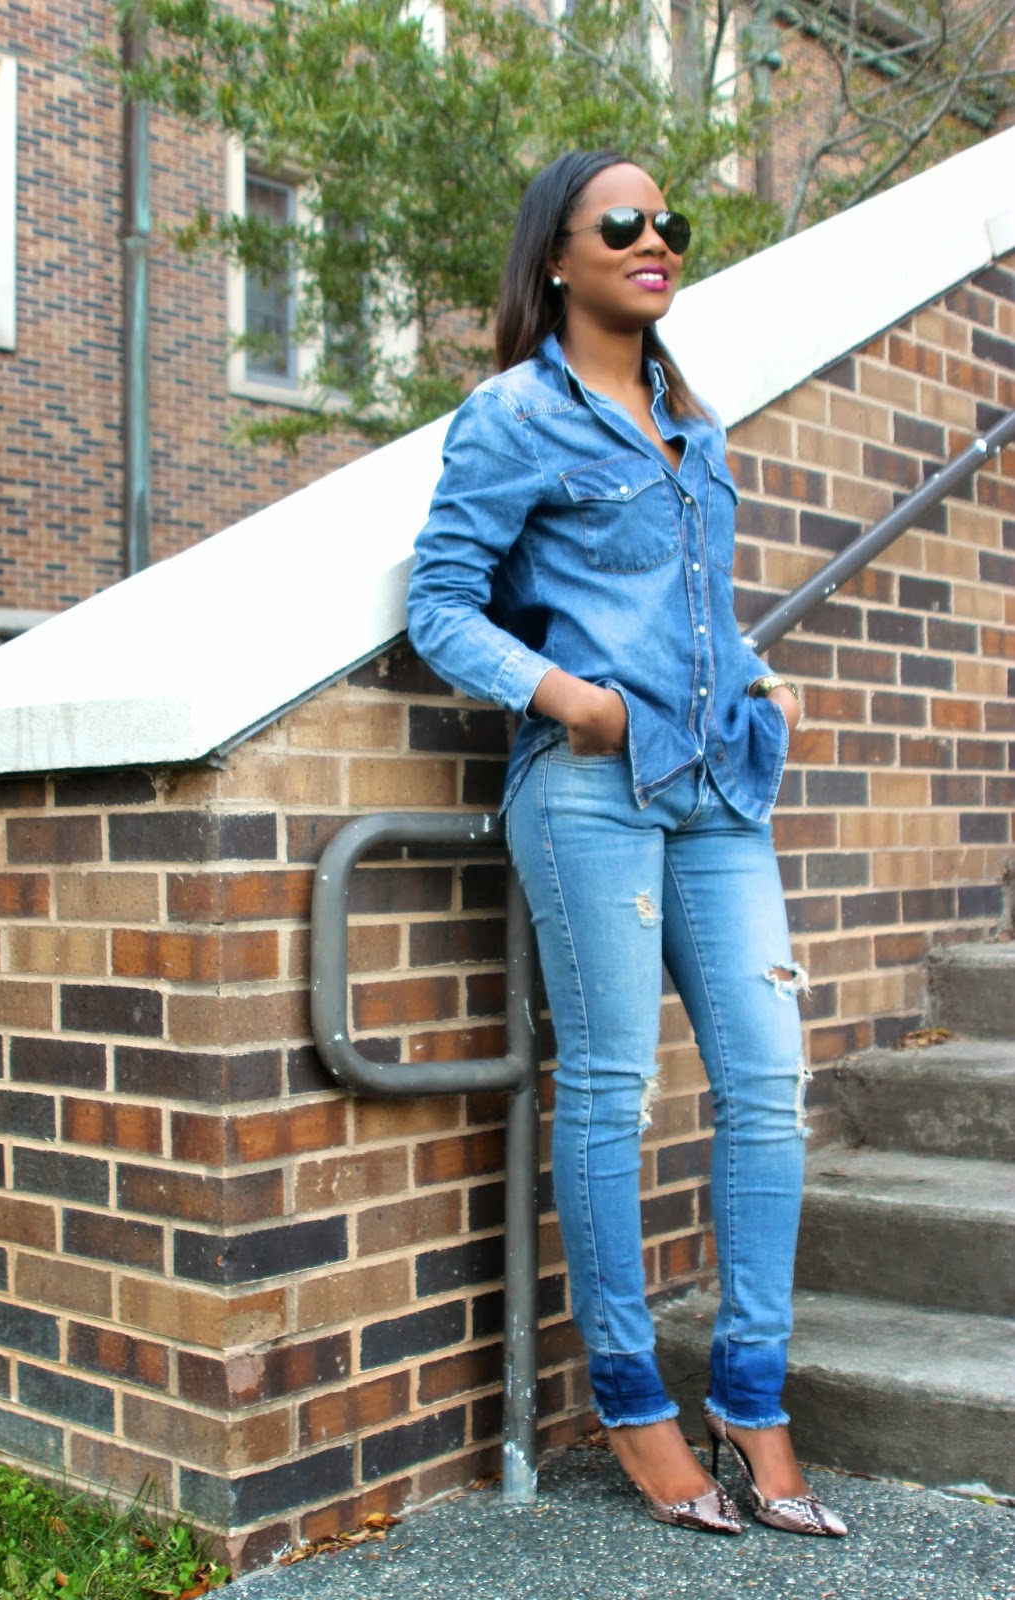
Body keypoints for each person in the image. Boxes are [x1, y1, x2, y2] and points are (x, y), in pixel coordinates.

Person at [406, 150, 846, 1539]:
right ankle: (631, 1401)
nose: (654, 239)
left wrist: (756, 675)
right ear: (557, 253)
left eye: (668, 223)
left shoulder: (688, 420)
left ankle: (752, 1398)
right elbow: (441, 603)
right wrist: (573, 699)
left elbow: (690, 605)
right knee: (609, 1087)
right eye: (621, 222)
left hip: (720, 791)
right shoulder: (513, 416)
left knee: (765, 1085)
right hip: (592, 786)